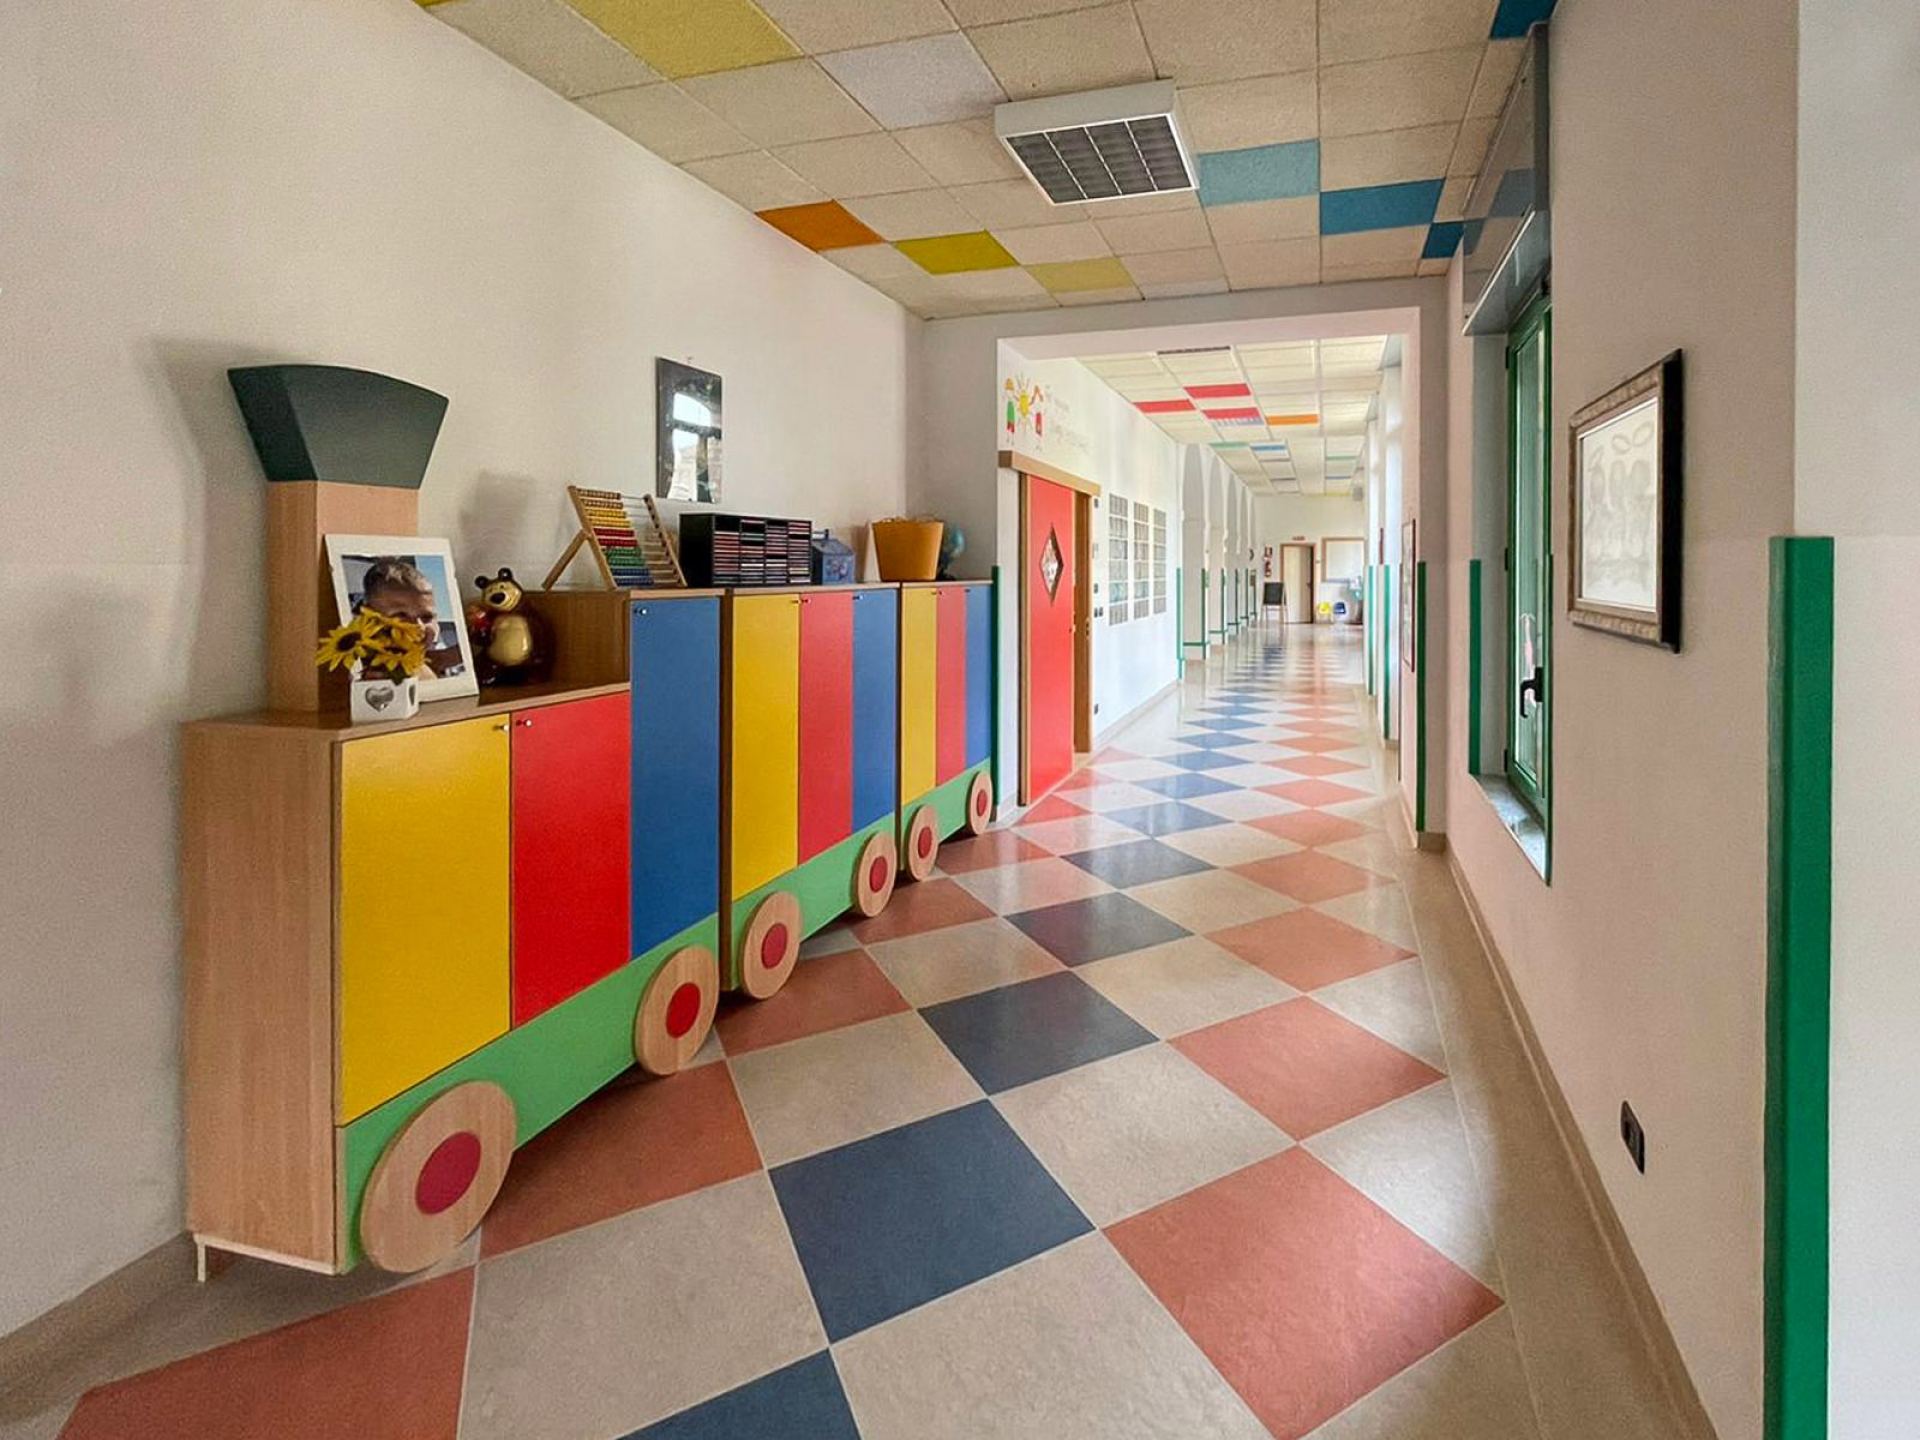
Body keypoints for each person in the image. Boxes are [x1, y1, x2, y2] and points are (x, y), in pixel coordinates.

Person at [356, 557, 463, 678]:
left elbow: (436, 660)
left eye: (427, 617)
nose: (418, 626)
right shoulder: (373, 670)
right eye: (401, 615)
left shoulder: (427, 656)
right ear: (369, 617)